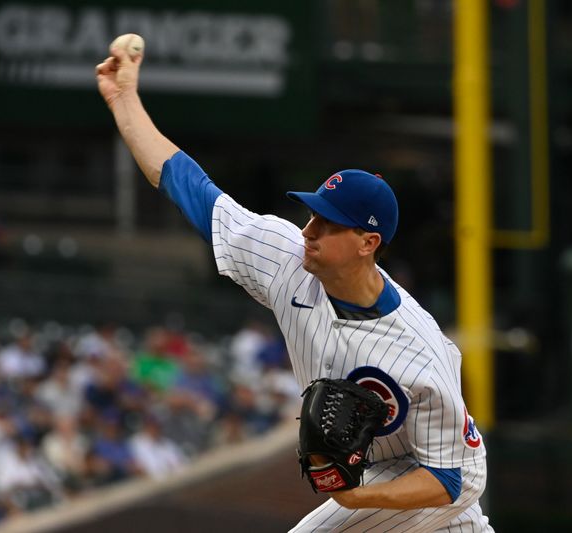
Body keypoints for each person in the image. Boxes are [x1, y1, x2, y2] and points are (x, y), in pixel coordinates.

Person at [96, 41, 492, 532]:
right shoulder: (288, 257)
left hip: (435, 496)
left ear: (368, 242)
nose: (309, 230)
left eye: (328, 224)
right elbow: (188, 185)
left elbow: (454, 479)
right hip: (383, 481)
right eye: (312, 215)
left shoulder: (418, 349)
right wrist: (125, 100)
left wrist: (356, 495)